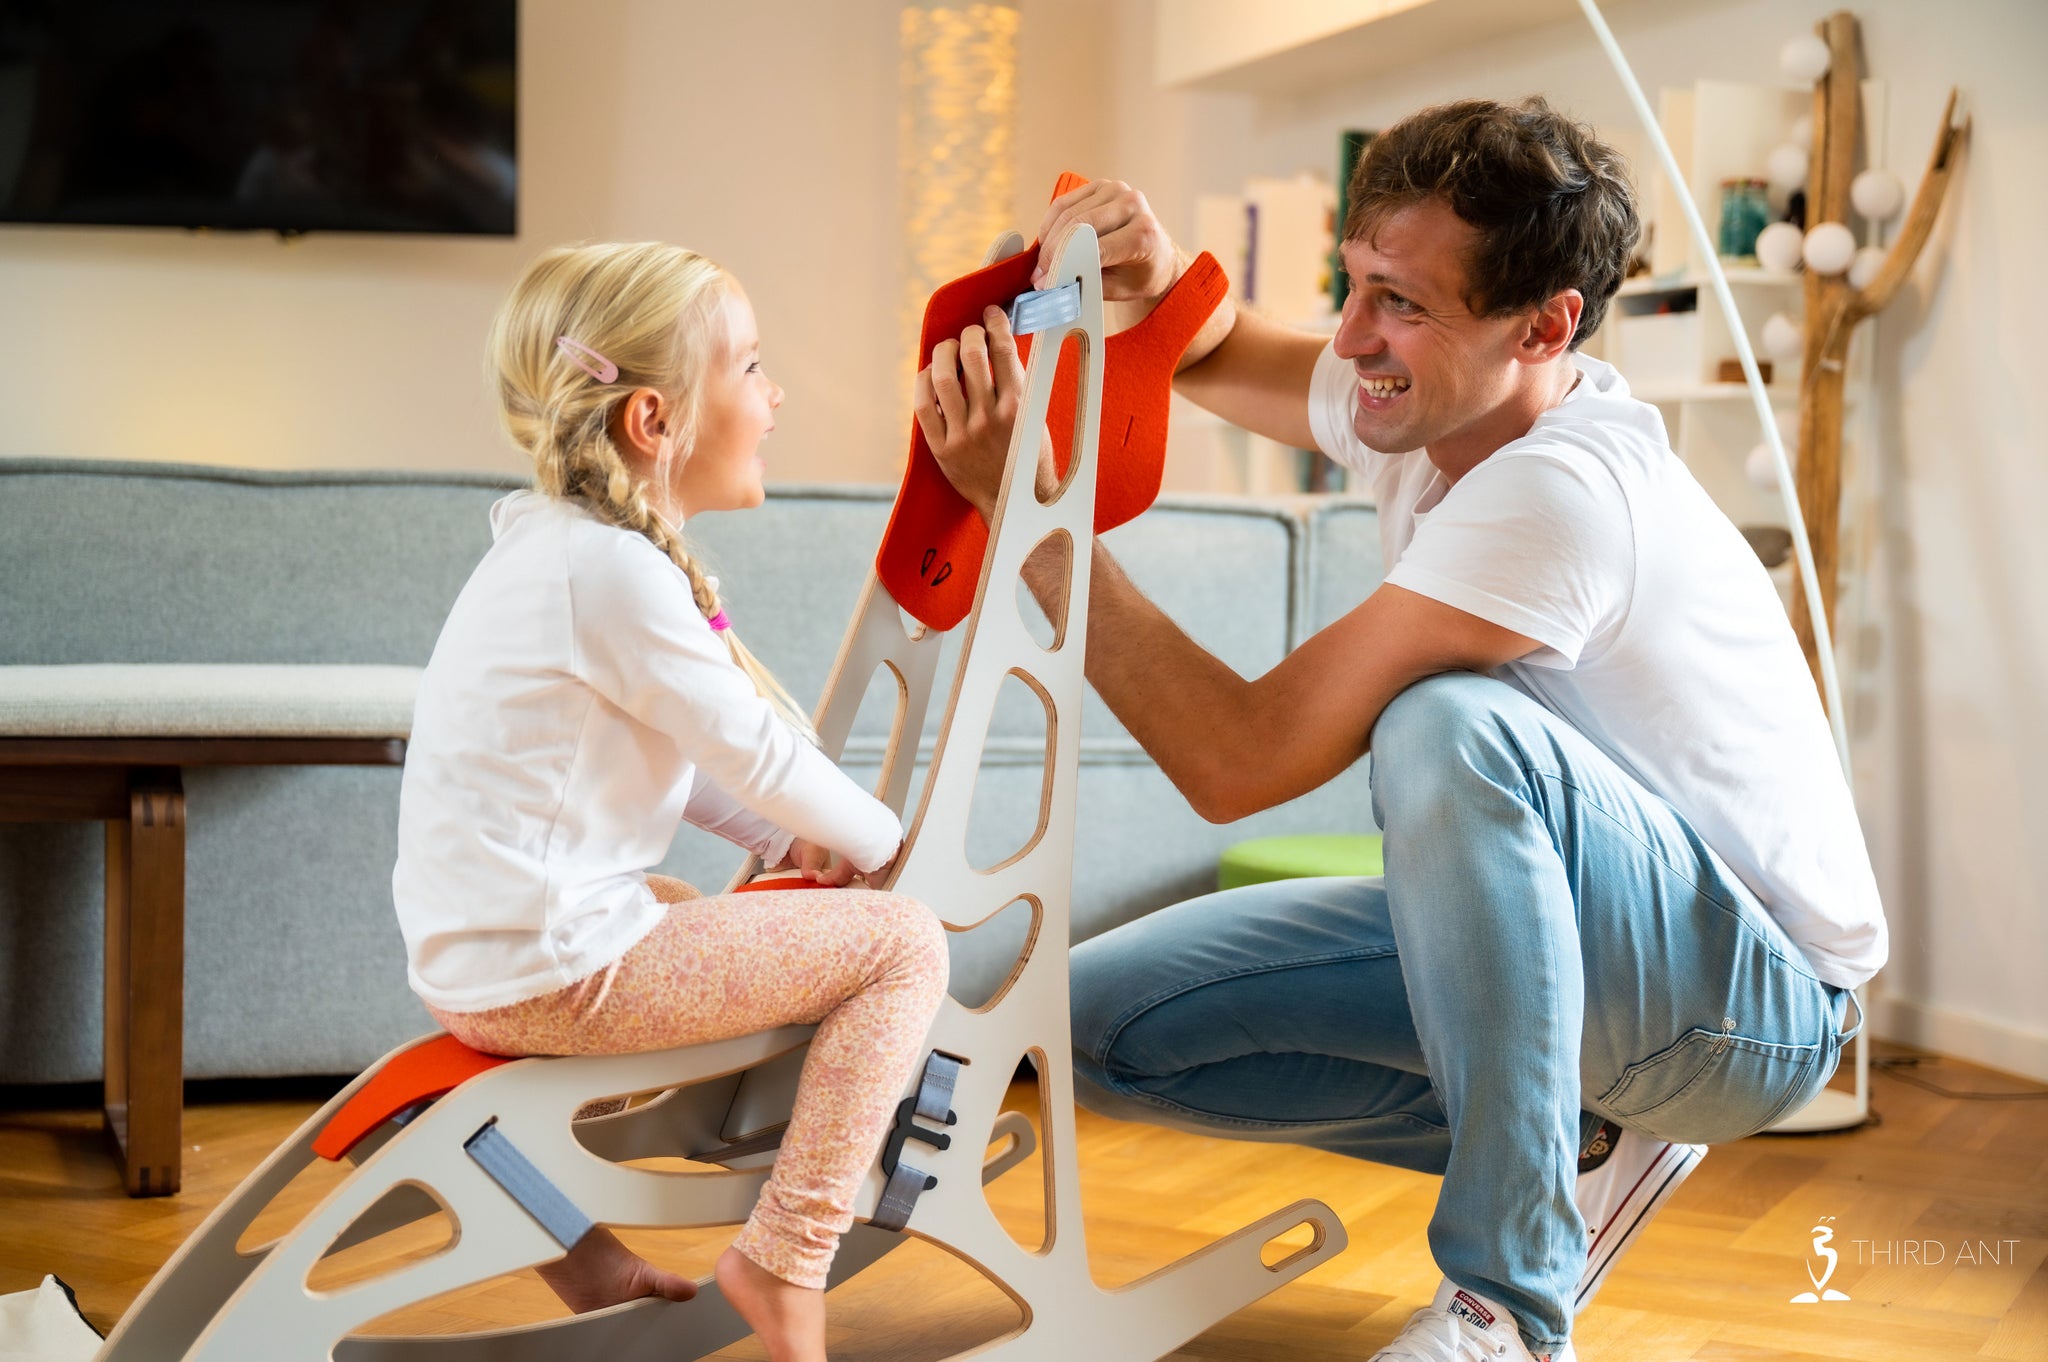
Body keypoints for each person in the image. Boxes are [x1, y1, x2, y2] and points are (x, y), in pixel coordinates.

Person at [913, 98, 1879, 1362]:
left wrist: (1037, 525)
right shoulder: (1430, 403)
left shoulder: (1560, 492)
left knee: (1444, 727)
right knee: (1093, 1029)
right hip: (1588, 951)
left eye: (1402, 304)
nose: (1354, 337)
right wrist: (1149, 269)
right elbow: (1225, 350)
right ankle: (1575, 1140)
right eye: (1353, 284)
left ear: (1545, 327)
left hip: (1749, 1005)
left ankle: (1506, 1308)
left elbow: (1234, 760)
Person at [392, 241, 949, 1362]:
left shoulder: (555, 551)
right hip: (554, 965)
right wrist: (880, 845)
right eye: (749, 369)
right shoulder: (614, 571)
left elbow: (674, 764)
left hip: (486, 958)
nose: (774, 394)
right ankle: (787, 1256)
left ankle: (579, 1255)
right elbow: (750, 747)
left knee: (674, 896)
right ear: (653, 420)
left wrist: (782, 837)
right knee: (900, 947)